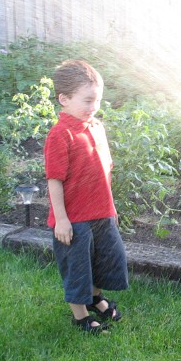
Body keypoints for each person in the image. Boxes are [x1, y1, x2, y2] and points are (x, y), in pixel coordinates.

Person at [44, 59, 129, 334]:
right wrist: (61, 220)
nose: (94, 107)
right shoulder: (61, 134)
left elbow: (106, 171)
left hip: (102, 213)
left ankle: (95, 299)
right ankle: (80, 316)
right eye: (88, 100)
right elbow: (55, 181)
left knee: (104, 259)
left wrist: (111, 208)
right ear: (64, 99)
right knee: (78, 267)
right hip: (75, 219)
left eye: (98, 100)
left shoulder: (95, 127)